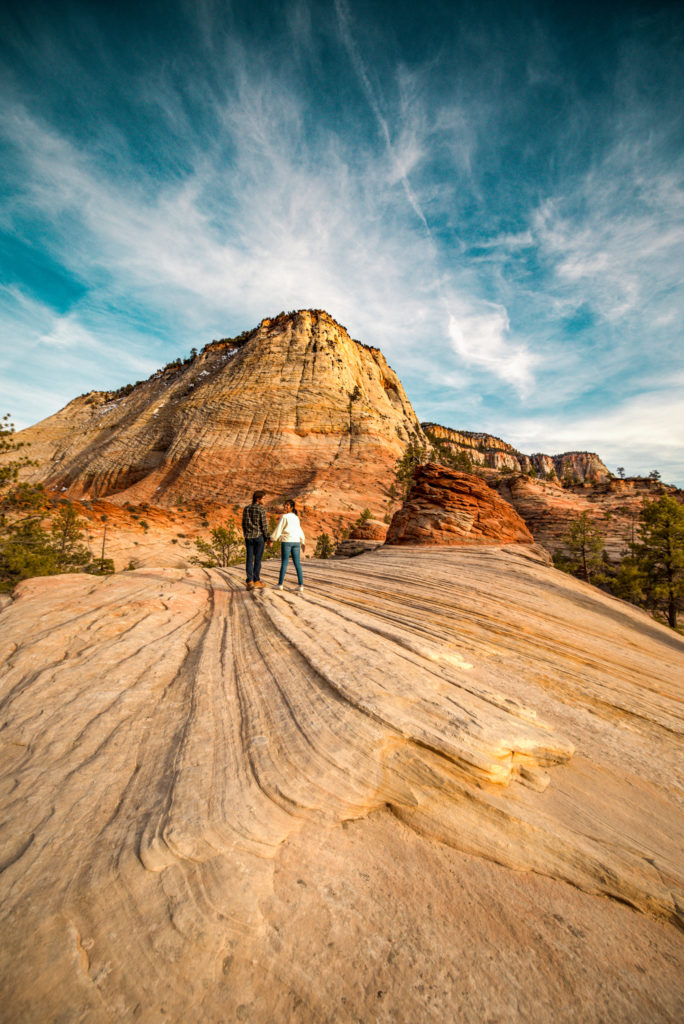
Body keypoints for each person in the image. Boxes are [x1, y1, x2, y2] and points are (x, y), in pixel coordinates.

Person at [271, 499, 306, 592]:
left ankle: (280, 584)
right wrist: (302, 541)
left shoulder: (284, 517)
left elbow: (278, 529)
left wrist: (272, 539)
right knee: (297, 563)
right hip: (296, 542)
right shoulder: (296, 518)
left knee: (284, 563)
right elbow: (299, 530)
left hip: (287, 541)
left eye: (287, 505)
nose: (285, 506)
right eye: (285, 505)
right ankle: (301, 585)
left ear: (292, 507)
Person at [241, 490, 271, 590]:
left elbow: (244, 524)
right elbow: (264, 526)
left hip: (248, 537)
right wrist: (268, 538)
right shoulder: (261, 510)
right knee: (257, 559)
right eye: (263, 498)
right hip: (259, 537)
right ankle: (256, 581)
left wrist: (246, 534)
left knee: (249, 559)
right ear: (258, 499)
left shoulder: (246, 508)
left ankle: (249, 581)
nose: (264, 500)